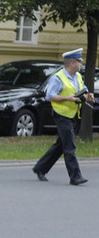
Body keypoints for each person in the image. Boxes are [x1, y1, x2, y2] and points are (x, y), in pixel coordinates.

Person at [33, 48, 95, 185]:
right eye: (79, 62)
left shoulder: (77, 76)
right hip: (61, 115)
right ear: (72, 63)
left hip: (72, 114)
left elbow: (81, 90)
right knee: (70, 145)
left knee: (61, 145)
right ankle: (75, 176)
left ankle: (40, 168)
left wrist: (88, 96)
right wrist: (68, 98)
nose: (81, 64)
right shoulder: (58, 78)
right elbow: (50, 96)